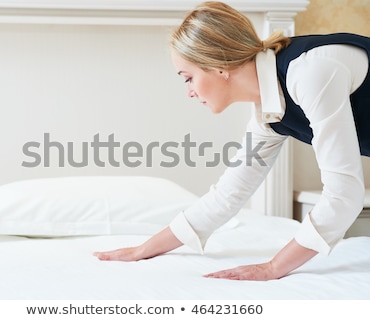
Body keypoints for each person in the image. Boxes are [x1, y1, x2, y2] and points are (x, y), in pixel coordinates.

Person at [93, 1, 370, 281]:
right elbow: (227, 195)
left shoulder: (311, 72)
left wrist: (274, 267)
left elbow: (344, 195)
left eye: (188, 78)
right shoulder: (269, 113)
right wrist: (144, 249)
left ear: (219, 65)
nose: (189, 92)